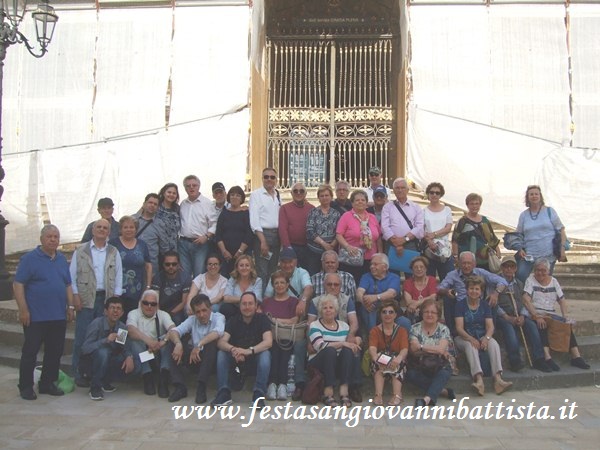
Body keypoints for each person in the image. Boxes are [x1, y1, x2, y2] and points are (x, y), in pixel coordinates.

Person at [14, 225, 74, 400]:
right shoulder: (29, 259)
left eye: (56, 237)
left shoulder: (61, 259)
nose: (53, 240)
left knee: (54, 352)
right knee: (30, 351)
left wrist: (70, 307)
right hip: (36, 316)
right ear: (41, 239)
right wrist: (23, 309)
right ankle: (25, 386)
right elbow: (18, 284)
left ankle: (47, 383)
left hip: (58, 315)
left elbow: (68, 284)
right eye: (49, 236)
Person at [70, 218, 123, 387]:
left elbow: (119, 276)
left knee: (103, 338)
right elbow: (72, 276)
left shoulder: (114, 251)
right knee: (82, 336)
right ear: (93, 230)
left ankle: (99, 374)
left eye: (105, 228)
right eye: (98, 227)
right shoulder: (81, 251)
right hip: (86, 298)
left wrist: (115, 299)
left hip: (106, 299)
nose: (101, 230)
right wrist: (75, 296)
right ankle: (79, 372)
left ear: (109, 232)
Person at [523, 258, 590, 370]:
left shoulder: (554, 281)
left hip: (550, 314)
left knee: (566, 325)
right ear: (534, 270)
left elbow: (562, 300)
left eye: (543, 270)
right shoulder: (530, 280)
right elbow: (526, 299)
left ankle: (576, 356)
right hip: (536, 313)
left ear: (548, 271)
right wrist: (536, 315)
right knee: (541, 324)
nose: (540, 273)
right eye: (538, 270)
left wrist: (565, 316)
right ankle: (547, 357)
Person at [211, 292, 272, 409]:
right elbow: (221, 342)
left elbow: (268, 342)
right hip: (237, 359)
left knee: (265, 355)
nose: (247, 307)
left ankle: (259, 394)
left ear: (256, 306)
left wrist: (248, 351)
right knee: (221, 354)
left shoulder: (263, 319)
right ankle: (223, 393)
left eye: (250, 304)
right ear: (239, 306)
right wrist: (233, 349)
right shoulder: (233, 320)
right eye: (244, 304)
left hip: (255, 357)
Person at [308, 272, 362, 403]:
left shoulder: (344, 326)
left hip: (338, 360)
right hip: (319, 360)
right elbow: (321, 346)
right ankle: (328, 391)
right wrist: (343, 343)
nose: (328, 310)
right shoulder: (315, 325)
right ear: (320, 310)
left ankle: (345, 390)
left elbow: (354, 325)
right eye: (325, 308)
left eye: (331, 308)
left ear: (336, 310)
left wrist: (356, 341)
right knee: (330, 351)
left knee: (350, 350)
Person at [454, 276, 513, 396]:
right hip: (464, 337)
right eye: (471, 288)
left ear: (481, 291)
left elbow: (490, 327)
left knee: (494, 344)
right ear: (467, 290)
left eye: (477, 289)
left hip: (481, 336)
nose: (474, 291)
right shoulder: (460, 305)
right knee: (471, 346)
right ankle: (479, 380)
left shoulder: (485, 305)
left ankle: (498, 379)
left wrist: (486, 338)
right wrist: (471, 339)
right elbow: (459, 328)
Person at [496, 256, 551, 373]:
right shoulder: (495, 282)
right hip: (503, 316)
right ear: (502, 268)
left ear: (515, 269)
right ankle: (515, 361)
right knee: (509, 329)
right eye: (506, 266)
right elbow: (494, 304)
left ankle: (539, 359)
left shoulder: (519, 284)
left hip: (518, 314)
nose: (509, 269)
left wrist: (523, 316)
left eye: (512, 267)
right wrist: (507, 317)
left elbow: (524, 302)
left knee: (532, 326)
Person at [167, 294, 225, 403]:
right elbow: (174, 331)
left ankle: (201, 387)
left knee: (211, 344)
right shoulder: (192, 319)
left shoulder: (219, 317)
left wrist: (199, 345)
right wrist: (178, 344)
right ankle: (180, 387)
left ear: (210, 308)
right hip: (194, 358)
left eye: (204, 310)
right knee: (172, 343)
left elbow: (218, 332)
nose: (201, 315)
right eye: (198, 312)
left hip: (211, 361)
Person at [437, 251, 508, 335]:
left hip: (479, 304)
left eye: (469, 263)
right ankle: (452, 332)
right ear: (459, 263)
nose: (466, 266)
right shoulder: (452, 274)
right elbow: (439, 288)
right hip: (460, 306)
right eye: (464, 263)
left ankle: (490, 332)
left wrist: (496, 293)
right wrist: (446, 291)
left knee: (492, 300)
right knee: (447, 300)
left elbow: (503, 281)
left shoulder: (481, 272)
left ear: (474, 264)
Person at [81, 297, 135, 401]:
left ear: (122, 313)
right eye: (112, 308)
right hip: (90, 361)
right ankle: (95, 387)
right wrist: (106, 340)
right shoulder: (96, 324)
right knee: (103, 352)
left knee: (125, 358)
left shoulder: (122, 327)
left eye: (118, 308)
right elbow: (85, 348)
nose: (115, 311)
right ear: (105, 311)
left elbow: (123, 347)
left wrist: (129, 356)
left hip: (110, 358)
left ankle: (105, 381)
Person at [406, 298, 454, 407]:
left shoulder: (443, 329)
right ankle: (443, 391)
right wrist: (434, 350)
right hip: (420, 365)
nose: (429, 314)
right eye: (426, 312)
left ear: (438, 315)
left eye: (433, 312)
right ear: (421, 313)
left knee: (444, 372)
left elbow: (441, 349)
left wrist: (421, 346)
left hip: (440, 364)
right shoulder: (414, 328)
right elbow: (414, 350)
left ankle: (427, 399)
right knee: (410, 374)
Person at [127, 290, 176, 397]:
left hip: (158, 353)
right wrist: (149, 341)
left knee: (169, 340)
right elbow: (130, 330)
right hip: (143, 353)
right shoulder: (133, 313)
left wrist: (162, 342)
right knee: (135, 341)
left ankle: (163, 378)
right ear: (141, 303)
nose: (149, 306)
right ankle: (147, 376)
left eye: (153, 304)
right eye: (146, 303)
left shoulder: (163, 314)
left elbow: (173, 329)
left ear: (157, 305)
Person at [515, 185, 567, 282]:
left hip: (548, 253)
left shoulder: (549, 211)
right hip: (529, 254)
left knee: (544, 280)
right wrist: (520, 248)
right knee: (520, 275)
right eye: (531, 194)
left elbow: (561, 230)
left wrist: (562, 250)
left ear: (540, 196)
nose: (534, 196)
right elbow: (518, 234)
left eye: (536, 194)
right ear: (527, 197)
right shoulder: (523, 215)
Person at [262, 271, 300, 401]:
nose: (279, 285)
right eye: (276, 283)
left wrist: (275, 320)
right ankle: (272, 384)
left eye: (282, 282)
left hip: (287, 337)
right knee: (273, 346)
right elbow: (262, 319)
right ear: (273, 285)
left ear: (288, 284)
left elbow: (294, 320)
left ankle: (283, 384)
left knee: (283, 345)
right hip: (270, 336)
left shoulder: (293, 301)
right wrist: (283, 321)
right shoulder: (267, 302)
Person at [336, 189, 383, 284]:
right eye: (357, 200)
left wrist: (380, 253)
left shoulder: (372, 217)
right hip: (352, 258)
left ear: (366, 203)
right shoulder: (346, 216)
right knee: (352, 285)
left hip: (371, 259)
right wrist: (347, 247)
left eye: (363, 200)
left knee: (368, 285)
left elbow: (378, 237)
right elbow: (338, 235)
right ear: (352, 203)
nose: (360, 202)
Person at [356, 253, 410, 332]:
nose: (371, 267)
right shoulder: (366, 276)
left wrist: (375, 297)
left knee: (405, 322)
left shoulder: (394, 277)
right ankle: (373, 336)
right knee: (370, 308)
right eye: (371, 264)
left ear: (385, 267)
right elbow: (359, 292)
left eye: (375, 264)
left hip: (390, 308)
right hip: (371, 308)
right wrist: (364, 302)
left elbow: (391, 293)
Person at [109, 215, 152, 316]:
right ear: (121, 229)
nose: (129, 230)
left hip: (136, 291)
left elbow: (148, 266)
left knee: (132, 317)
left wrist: (148, 286)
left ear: (136, 229)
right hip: (116, 290)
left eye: (131, 227)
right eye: (125, 227)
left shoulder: (142, 245)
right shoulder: (113, 244)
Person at [368, 300, 408, 406]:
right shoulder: (375, 331)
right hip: (380, 358)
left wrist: (398, 359)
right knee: (377, 364)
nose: (387, 314)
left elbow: (404, 349)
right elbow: (372, 348)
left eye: (391, 312)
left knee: (398, 363)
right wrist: (376, 359)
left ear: (395, 315)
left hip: (396, 359)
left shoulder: (401, 331)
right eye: (384, 312)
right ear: (380, 315)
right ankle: (378, 395)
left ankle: (397, 395)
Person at [381, 177, 424, 271]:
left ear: (407, 190)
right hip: (392, 245)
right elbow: (384, 226)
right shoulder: (387, 207)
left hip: (410, 245)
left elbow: (419, 227)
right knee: (392, 273)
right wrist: (396, 242)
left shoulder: (416, 207)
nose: (400, 190)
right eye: (397, 188)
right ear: (393, 190)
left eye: (402, 187)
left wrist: (404, 239)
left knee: (412, 273)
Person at [178, 175, 216, 278]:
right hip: (183, 244)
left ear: (199, 186)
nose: (191, 188)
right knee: (184, 275)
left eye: (194, 185)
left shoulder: (207, 204)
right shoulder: (183, 204)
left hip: (200, 244)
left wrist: (206, 236)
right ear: (185, 188)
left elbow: (214, 224)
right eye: (188, 186)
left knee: (199, 275)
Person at [249, 167, 281, 287]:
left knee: (273, 271)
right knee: (262, 271)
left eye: (272, 177)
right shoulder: (256, 195)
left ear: (276, 180)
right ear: (262, 178)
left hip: (276, 236)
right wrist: (263, 241)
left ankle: (270, 297)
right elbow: (254, 220)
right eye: (266, 177)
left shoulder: (277, 195)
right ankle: (261, 297)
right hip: (263, 236)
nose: (269, 179)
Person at [451, 193, 500, 271]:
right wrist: (456, 256)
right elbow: (455, 240)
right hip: (467, 260)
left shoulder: (485, 220)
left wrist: (497, 251)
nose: (474, 206)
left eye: (477, 204)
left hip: (484, 259)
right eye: (472, 204)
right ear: (467, 205)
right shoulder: (462, 221)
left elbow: (492, 238)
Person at [215, 185, 253, 277]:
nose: (234, 197)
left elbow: (249, 234)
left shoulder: (246, 214)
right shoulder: (224, 214)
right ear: (229, 197)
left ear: (242, 198)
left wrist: (240, 251)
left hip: (242, 254)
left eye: (237, 195)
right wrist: (224, 251)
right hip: (225, 255)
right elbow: (218, 234)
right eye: (232, 195)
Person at [279, 182, 314, 273]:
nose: (298, 193)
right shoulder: (284, 208)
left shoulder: (311, 208)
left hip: (308, 247)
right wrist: (288, 247)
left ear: (305, 193)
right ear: (291, 193)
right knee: (291, 273)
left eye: (301, 191)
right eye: (295, 191)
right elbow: (283, 229)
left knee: (307, 273)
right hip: (292, 246)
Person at [306, 184, 341, 275]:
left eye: (326, 195)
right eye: (322, 196)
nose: (324, 198)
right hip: (314, 251)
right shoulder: (313, 212)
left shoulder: (336, 213)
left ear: (331, 197)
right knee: (314, 275)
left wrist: (332, 245)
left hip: (331, 251)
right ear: (318, 198)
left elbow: (339, 231)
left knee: (331, 275)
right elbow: (310, 231)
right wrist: (324, 244)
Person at [422, 182, 454, 281]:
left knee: (447, 279)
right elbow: (422, 229)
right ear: (428, 194)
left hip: (444, 249)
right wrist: (429, 241)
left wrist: (434, 234)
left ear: (441, 195)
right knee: (429, 279)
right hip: (429, 248)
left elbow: (448, 227)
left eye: (437, 193)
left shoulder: (447, 210)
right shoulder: (423, 211)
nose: (434, 195)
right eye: (432, 192)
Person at [150, 251, 191, 325]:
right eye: (167, 264)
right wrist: (161, 315)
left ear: (178, 265)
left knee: (178, 318)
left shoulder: (185, 278)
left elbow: (184, 302)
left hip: (177, 310)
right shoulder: (157, 278)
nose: (171, 267)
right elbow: (156, 300)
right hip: (160, 309)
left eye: (174, 264)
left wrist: (170, 314)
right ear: (163, 265)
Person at [221, 255, 263, 319]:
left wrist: (238, 300)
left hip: (250, 308)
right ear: (237, 268)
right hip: (235, 309)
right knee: (225, 308)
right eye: (241, 265)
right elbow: (226, 298)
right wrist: (245, 299)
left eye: (247, 265)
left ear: (251, 268)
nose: (244, 268)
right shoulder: (232, 279)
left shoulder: (257, 280)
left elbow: (257, 299)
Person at [402, 256, 438, 324]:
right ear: (412, 269)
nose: (419, 269)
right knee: (410, 310)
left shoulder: (432, 280)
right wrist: (417, 306)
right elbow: (408, 302)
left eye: (421, 267)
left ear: (426, 269)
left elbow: (433, 298)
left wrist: (417, 304)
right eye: (416, 267)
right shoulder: (408, 282)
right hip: (413, 311)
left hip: (428, 310)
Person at [131, 193, 160, 275]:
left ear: (158, 208)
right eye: (150, 202)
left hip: (150, 265)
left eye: (155, 204)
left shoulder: (160, 224)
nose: (152, 205)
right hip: (132, 262)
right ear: (144, 204)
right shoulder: (132, 219)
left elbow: (164, 246)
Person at [155, 182, 181, 264]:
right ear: (164, 193)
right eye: (169, 192)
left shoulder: (177, 209)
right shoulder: (156, 206)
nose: (171, 195)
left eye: (174, 193)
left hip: (173, 248)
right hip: (157, 246)